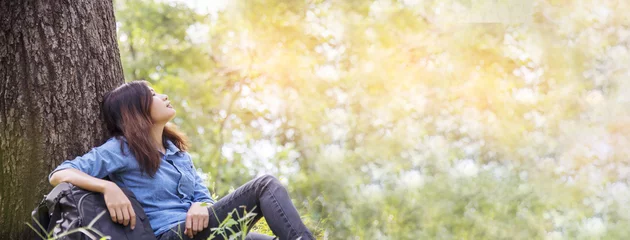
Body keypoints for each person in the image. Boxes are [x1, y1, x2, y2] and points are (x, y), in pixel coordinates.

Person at [48, 80, 315, 240]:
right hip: (169, 235)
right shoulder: (121, 149)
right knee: (264, 185)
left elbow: (201, 195)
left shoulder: (177, 152)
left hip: (201, 230)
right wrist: (108, 187)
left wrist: (201, 205)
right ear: (135, 111)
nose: (162, 96)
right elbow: (60, 173)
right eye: (151, 95)